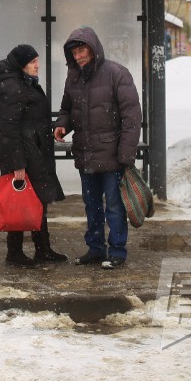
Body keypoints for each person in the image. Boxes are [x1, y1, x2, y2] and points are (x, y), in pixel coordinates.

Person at [52, 27, 142, 269]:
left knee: (114, 205)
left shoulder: (116, 73)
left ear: (93, 48)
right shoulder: (74, 77)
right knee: (91, 205)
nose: (78, 56)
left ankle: (117, 252)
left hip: (112, 156)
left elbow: (132, 117)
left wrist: (125, 155)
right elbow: (67, 109)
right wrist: (62, 125)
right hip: (85, 154)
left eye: (82, 50)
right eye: (74, 53)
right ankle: (95, 249)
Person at [0, 44, 67, 268]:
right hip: (22, 153)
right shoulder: (12, 87)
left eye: (37, 60)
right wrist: (18, 165)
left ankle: (42, 248)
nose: (37, 65)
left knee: (38, 199)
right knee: (19, 201)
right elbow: (10, 129)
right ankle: (14, 252)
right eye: (33, 61)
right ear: (21, 65)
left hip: (35, 151)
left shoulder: (25, 83)